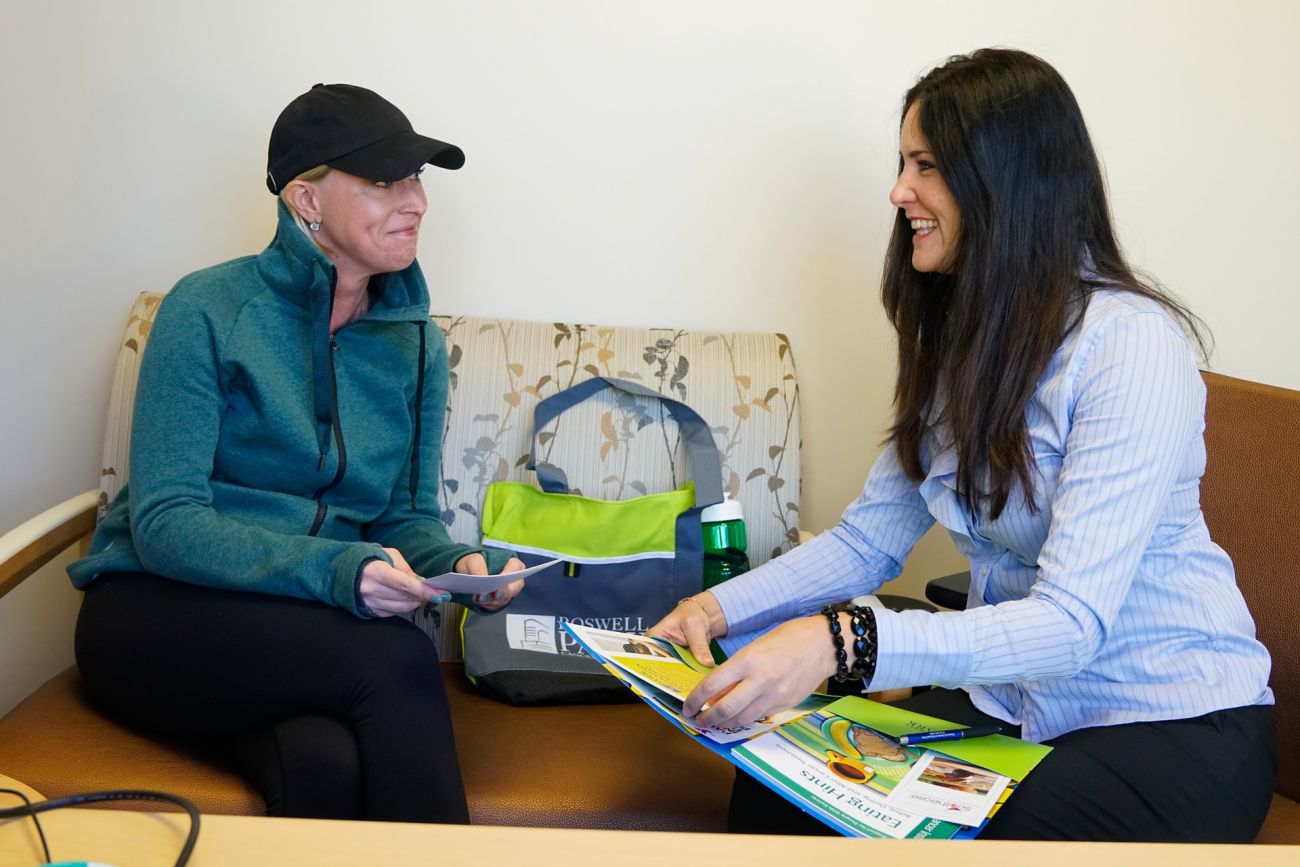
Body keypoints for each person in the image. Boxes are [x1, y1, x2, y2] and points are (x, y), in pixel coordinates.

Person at [649, 49, 1275, 842]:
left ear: (1005, 181)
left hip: (1171, 729)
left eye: (926, 165)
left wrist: (844, 640)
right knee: (776, 783)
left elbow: (1071, 623)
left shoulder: (1132, 346)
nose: (898, 192)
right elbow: (868, 539)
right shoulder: (966, 348)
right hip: (1018, 712)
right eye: (902, 163)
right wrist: (710, 608)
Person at [68, 83, 526, 823]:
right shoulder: (208, 309)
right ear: (306, 202)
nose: (416, 201)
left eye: (417, 179)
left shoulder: (415, 344)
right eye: (384, 180)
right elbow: (164, 523)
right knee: (397, 657)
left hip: (293, 629)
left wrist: (456, 564)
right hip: (155, 613)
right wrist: (340, 569)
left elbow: (403, 516)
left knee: (324, 761)